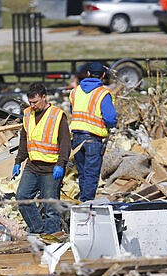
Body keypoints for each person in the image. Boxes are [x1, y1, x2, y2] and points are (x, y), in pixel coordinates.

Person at [12, 82, 71, 235]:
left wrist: (61, 163)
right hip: (32, 166)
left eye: (35, 102)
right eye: (30, 102)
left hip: (51, 168)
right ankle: (38, 230)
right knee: (22, 197)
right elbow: (24, 140)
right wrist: (18, 161)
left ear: (44, 97)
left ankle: (52, 235)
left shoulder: (57, 115)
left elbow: (65, 142)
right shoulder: (27, 114)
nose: (33, 105)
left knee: (51, 207)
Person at [69, 61, 117, 202]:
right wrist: (110, 126)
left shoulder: (75, 91)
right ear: (103, 75)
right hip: (93, 139)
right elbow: (110, 117)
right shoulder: (102, 93)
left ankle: (83, 201)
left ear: (88, 74)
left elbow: (74, 111)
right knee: (91, 174)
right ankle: (86, 203)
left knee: (82, 173)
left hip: (77, 138)